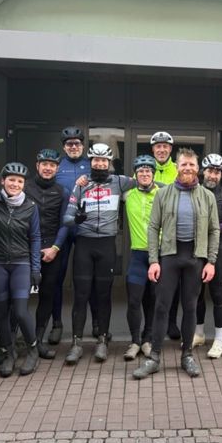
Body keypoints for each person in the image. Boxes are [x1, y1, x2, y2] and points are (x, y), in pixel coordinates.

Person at [133, 148, 220, 379]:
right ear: (177, 167)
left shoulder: (207, 197)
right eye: (184, 164)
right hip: (169, 256)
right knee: (162, 306)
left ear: (197, 168)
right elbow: (153, 228)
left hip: (195, 258)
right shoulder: (163, 194)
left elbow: (214, 230)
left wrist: (211, 261)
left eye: (191, 165)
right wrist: (154, 260)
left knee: (190, 307)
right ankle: (154, 357)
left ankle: (187, 355)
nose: (188, 168)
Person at [63, 143, 135, 364]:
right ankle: (76, 343)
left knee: (104, 295)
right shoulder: (81, 184)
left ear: (109, 162)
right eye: (96, 160)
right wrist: (76, 219)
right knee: (81, 295)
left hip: (106, 245)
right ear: (91, 161)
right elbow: (66, 218)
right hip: (84, 245)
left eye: (104, 160)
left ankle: (102, 341)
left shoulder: (119, 182)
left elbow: (146, 182)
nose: (100, 163)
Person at [0, 162, 41, 377]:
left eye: (19, 181)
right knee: (1, 311)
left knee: (19, 311)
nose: (15, 184)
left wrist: (36, 268)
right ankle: (8, 353)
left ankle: (33, 350)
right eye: (11, 180)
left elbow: (35, 238)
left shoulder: (31, 206)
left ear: (23, 184)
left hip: (21, 263)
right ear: (2, 181)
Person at [48, 126, 92, 345]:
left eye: (77, 143)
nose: (73, 147)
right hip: (63, 229)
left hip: (85, 228)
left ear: (83, 146)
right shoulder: (57, 167)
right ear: (64, 147)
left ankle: (96, 324)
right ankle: (56, 324)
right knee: (56, 277)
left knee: (88, 278)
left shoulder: (92, 165)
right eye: (69, 144)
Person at [24, 149, 69, 359]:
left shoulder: (62, 191)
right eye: (45, 164)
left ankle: (38, 341)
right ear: (37, 166)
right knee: (20, 297)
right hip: (25, 249)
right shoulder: (25, 188)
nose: (48, 168)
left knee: (47, 295)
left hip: (51, 250)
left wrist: (55, 248)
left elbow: (65, 223)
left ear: (57, 168)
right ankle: (17, 342)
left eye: (52, 165)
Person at [192, 154, 222, 358]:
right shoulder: (193, 191)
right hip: (196, 251)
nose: (213, 175)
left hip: (218, 251)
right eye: (210, 171)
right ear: (203, 171)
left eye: (217, 172)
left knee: (218, 294)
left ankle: (219, 340)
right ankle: (199, 334)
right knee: (197, 294)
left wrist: (209, 228)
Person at [123, 155, 163, 361]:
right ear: (135, 175)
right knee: (134, 300)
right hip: (137, 255)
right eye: (141, 171)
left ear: (153, 174)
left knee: (153, 300)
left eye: (148, 171)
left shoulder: (163, 193)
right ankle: (135, 341)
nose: (145, 174)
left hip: (159, 254)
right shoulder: (127, 194)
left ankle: (147, 340)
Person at [150, 130, 181, 340]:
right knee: (154, 285)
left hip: (173, 238)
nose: (161, 150)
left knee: (174, 285)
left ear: (170, 149)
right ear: (153, 149)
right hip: (151, 237)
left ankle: (171, 322)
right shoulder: (144, 170)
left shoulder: (178, 170)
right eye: (158, 146)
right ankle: (154, 324)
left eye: (165, 146)